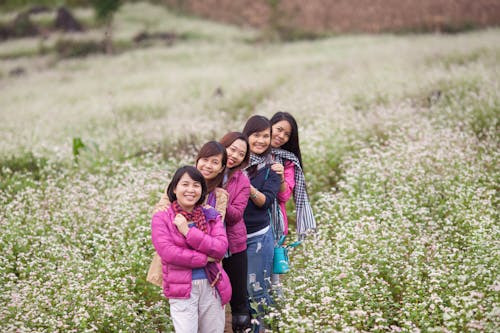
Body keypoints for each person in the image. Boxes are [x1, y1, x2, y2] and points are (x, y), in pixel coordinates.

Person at [151, 166, 231, 333]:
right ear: (174, 188)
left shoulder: (211, 215)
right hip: (182, 288)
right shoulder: (162, 217)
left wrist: (187, 231)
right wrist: (204, 259)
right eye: (185, 184)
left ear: (202, 190)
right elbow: (168, 253)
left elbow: (220, 248)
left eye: (196, 185)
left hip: (213, 285)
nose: (190, 190)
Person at [269, 111, 317, 294]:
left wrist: (280, 176)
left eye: (286, 134)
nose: (281, 136)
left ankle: (275, 317)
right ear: (269, 126)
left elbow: (283, 197)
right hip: (247, 224)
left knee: (273, 280)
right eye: (279, 130)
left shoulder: (287, 161)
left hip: (275, 226)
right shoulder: (251, 153)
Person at [242, 115, 281, 332]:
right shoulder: (233, 163)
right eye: (256, 135)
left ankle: (265, 329)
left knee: (257, 289)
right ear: (246, 136)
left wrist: (245, 186)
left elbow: (266, 201)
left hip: (258, 235)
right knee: (240, 293)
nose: (261, 140)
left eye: (266, 136)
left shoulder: (272, 168)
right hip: (233, 239)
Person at [219, 132, 252, 332]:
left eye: (241, 154)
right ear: (223, 146)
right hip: (205, 245)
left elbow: (236, 215)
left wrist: (220, 199)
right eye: (232, 149)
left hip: (234, 244)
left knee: (239, 300)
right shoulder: (205, 170)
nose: (235, 156)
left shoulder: (242, 181)